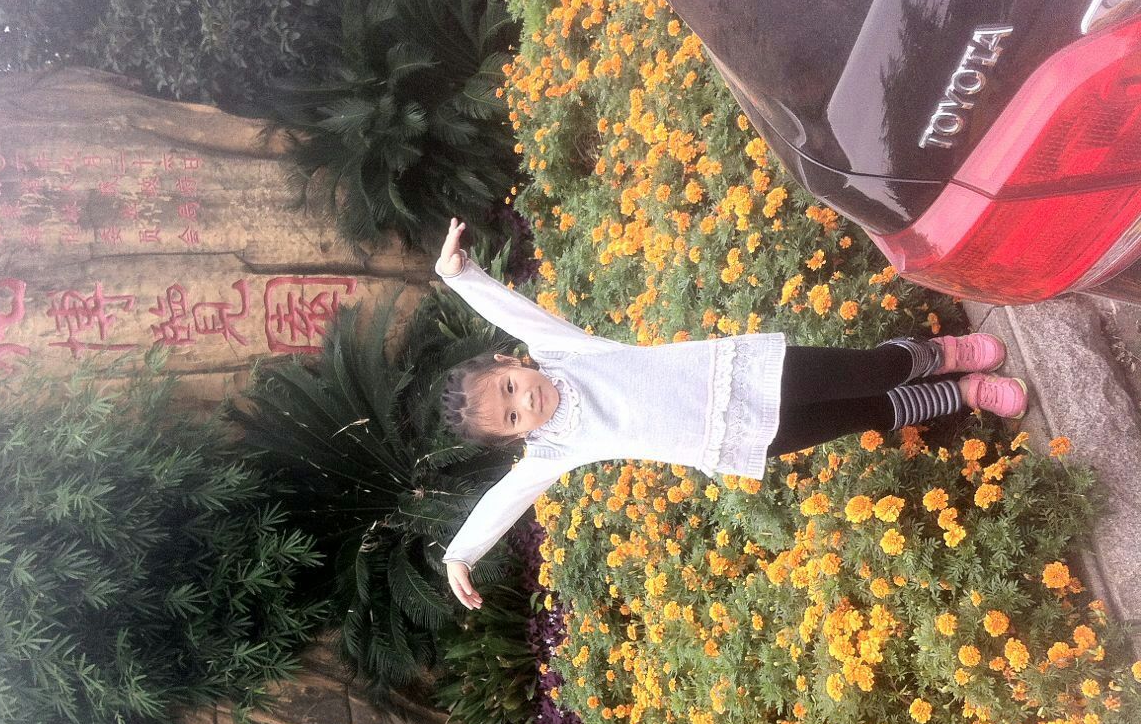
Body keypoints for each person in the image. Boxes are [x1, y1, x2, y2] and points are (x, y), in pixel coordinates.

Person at [433, 218, 1027, 610]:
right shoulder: (555, 450)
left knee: (871, 372)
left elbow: (516, 313)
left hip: (744, 375)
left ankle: (941, 354)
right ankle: (964, 393)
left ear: (511, 362)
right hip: (737, 437)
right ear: (517, 438)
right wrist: (461, 553)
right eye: (512, 418)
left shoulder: (562, 353)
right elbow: (505, 499)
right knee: (867, 413)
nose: (524, 402)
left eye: (510, 387)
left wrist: (462, 278)